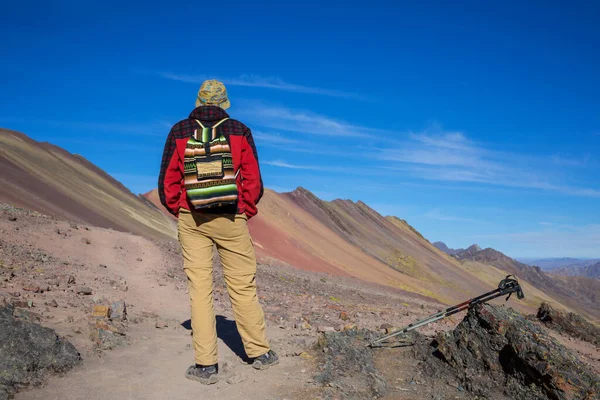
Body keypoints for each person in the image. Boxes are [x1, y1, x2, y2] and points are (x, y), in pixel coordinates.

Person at [158, 79, 277, 385]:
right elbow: (253, 178)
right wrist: (245, 209)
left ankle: (206, 365)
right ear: (225, 102)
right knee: (242, 286)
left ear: (198, 100)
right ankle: (259, 353)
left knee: (200, 290)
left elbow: (168, 179)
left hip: (192, 218)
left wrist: (181, 209)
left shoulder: (179, 131)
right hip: (231, 217)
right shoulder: (239, 130)